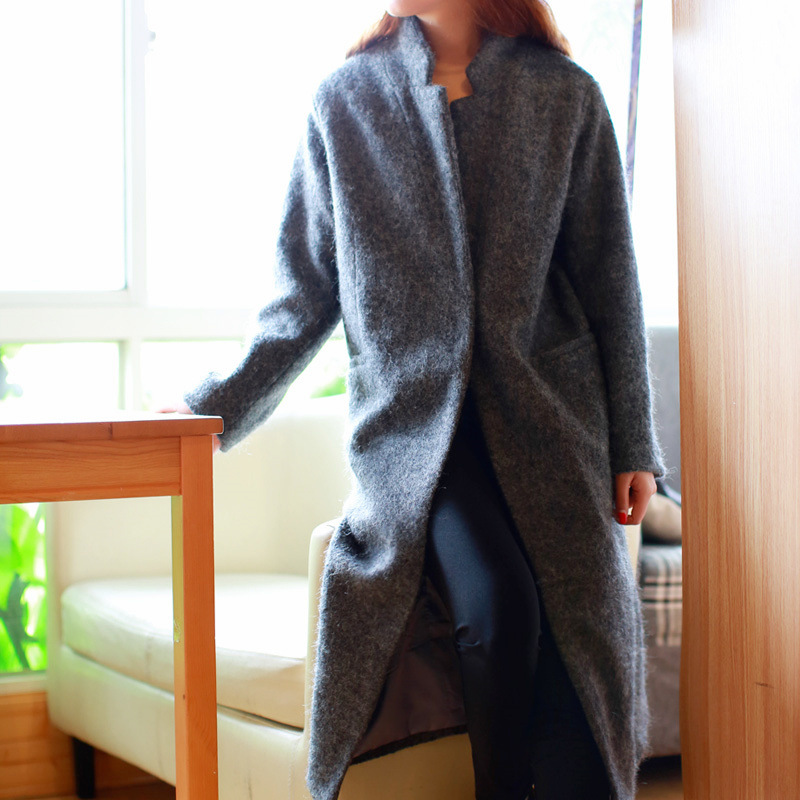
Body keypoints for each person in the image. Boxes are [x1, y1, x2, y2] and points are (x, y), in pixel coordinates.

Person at [163, 2, 666, 799]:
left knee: (577, 666)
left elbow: (611, 282)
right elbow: (301, 299)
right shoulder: (345, 103)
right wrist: (209, 411)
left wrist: (634, 443)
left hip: (553, 431)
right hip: (419, 445)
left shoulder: (564, 94)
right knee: (500, 607)